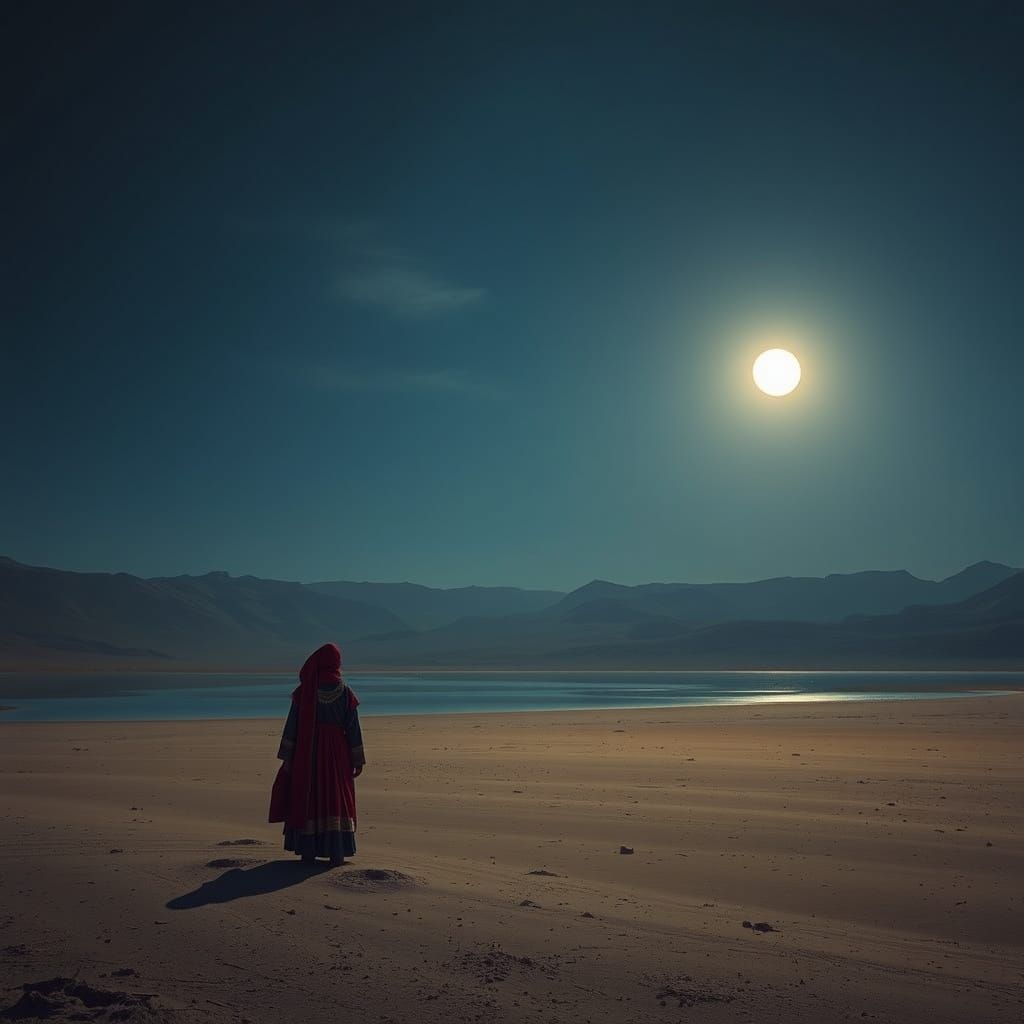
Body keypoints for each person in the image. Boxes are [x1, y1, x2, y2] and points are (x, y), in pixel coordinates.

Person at [268, 642, 365, 866]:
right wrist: (358, 759)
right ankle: (336, 853)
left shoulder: (305, 692)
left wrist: (288, 757)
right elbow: (353, 727)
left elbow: (292, 725)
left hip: (308, 752)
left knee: (309, 795)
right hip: (338, 754)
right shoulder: (345, 692)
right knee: (336, 797)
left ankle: (308, 852)